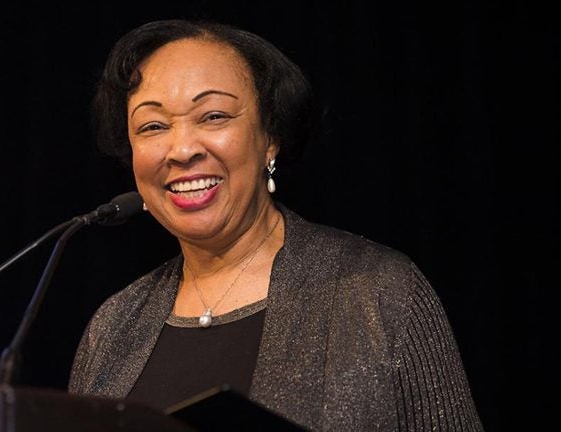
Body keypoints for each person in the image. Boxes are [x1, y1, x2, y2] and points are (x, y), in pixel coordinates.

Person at [68, 18, 483, 431]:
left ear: (270, 136)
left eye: (212, 116)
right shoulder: (113, 329)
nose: (182, 149)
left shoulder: (378, 292)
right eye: (153, 126)